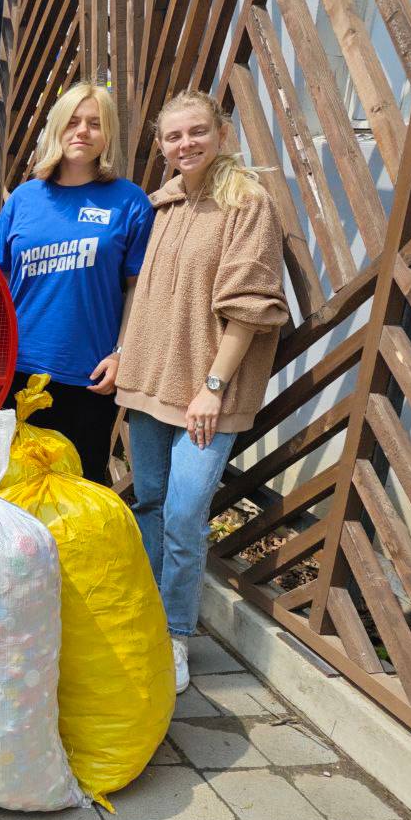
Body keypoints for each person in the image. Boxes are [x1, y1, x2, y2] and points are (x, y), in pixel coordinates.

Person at [116, 89, 287, 693]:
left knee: (186, 513)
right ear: (162, 146)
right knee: (150, 504)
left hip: (208, 394)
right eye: (173, 136)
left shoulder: (247, 203)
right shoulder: (162, 205)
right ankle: (144, 619)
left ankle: (174, 634)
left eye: (197, 132)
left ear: (221, 133)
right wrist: (123, 352)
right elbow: (141, 293)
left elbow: (250, 306)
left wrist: (213, 386)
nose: (185, 144)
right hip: (149, 382)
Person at [0, 81, 154, 483]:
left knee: (79, 488)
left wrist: (121, 353)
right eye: (73, 121)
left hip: (88, 376)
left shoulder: (129, 201)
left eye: (95, 123)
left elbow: (138, 288)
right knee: (10, 487)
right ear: (57, 128)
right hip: (17, 370)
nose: (82, 131)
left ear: (108, 134)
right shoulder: (25, 198)